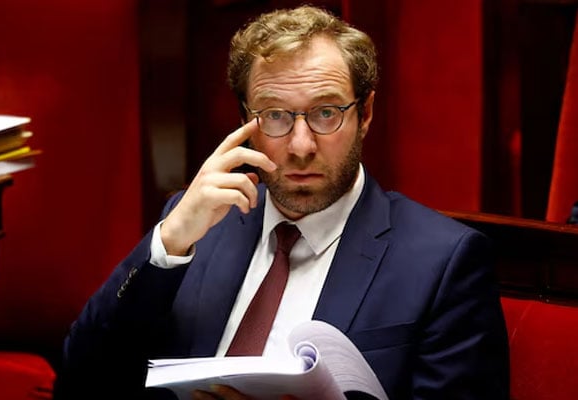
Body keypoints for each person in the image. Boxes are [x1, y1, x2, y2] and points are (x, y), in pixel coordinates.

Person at [53, 5, 509, 400]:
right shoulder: (197, 227)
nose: (301, 145)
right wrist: (166, 244)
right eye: (274, 116)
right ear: (245, 120)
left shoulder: (443, 262)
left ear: (365, 113)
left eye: (326, 112)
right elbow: (80, 382)